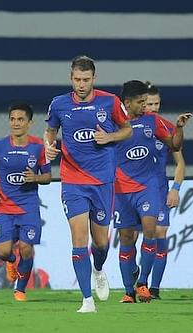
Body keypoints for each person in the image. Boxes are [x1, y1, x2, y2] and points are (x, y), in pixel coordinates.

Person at [44, 55, 132, 313]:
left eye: (86, 79)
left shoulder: (110, 101)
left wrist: (110, 136)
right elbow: (50, 131)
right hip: (72, 180)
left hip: (103, 180)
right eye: (76, 79)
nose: (81, 84)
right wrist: (49, 147)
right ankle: (86, 301)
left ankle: (99, 268)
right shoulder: (59, 104)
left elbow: (127, 129)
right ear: (70, 78)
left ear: (94, 78)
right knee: (78, 238)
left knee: (101, 243)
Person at [113, 80, 191, 304]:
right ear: (128, 103)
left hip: (151, 188)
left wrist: (178, 127)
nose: (148, 106)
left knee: (154, 231)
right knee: (127, 237)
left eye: (151, 102)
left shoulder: (154, 122)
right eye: (144, 102)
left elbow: (175, 148)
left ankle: (145, 285)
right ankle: (129, 291)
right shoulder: (112, 123)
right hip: (121, 190)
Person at [0, 103, 51, 301]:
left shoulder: (38, 147)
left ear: (29, 123)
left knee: (26, 248)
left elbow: (47, 176)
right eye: (12, 119)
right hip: (4, 207)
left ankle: (20, 289)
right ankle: (11, 261)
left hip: (28, 207)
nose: (16, 123)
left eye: (20, 119)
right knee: (3, 252)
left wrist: (35, 178)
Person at [145, 82, 185, 300]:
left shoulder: (169, 128)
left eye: (156, 103)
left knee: (160, 234)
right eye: (149, 103)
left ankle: (155, 288)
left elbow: (180, 164)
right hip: (133, 190)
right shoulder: (129, 127)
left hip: (160, 190)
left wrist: (176, 189)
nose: (153, 107)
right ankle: (135, 281)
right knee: (130, 237)